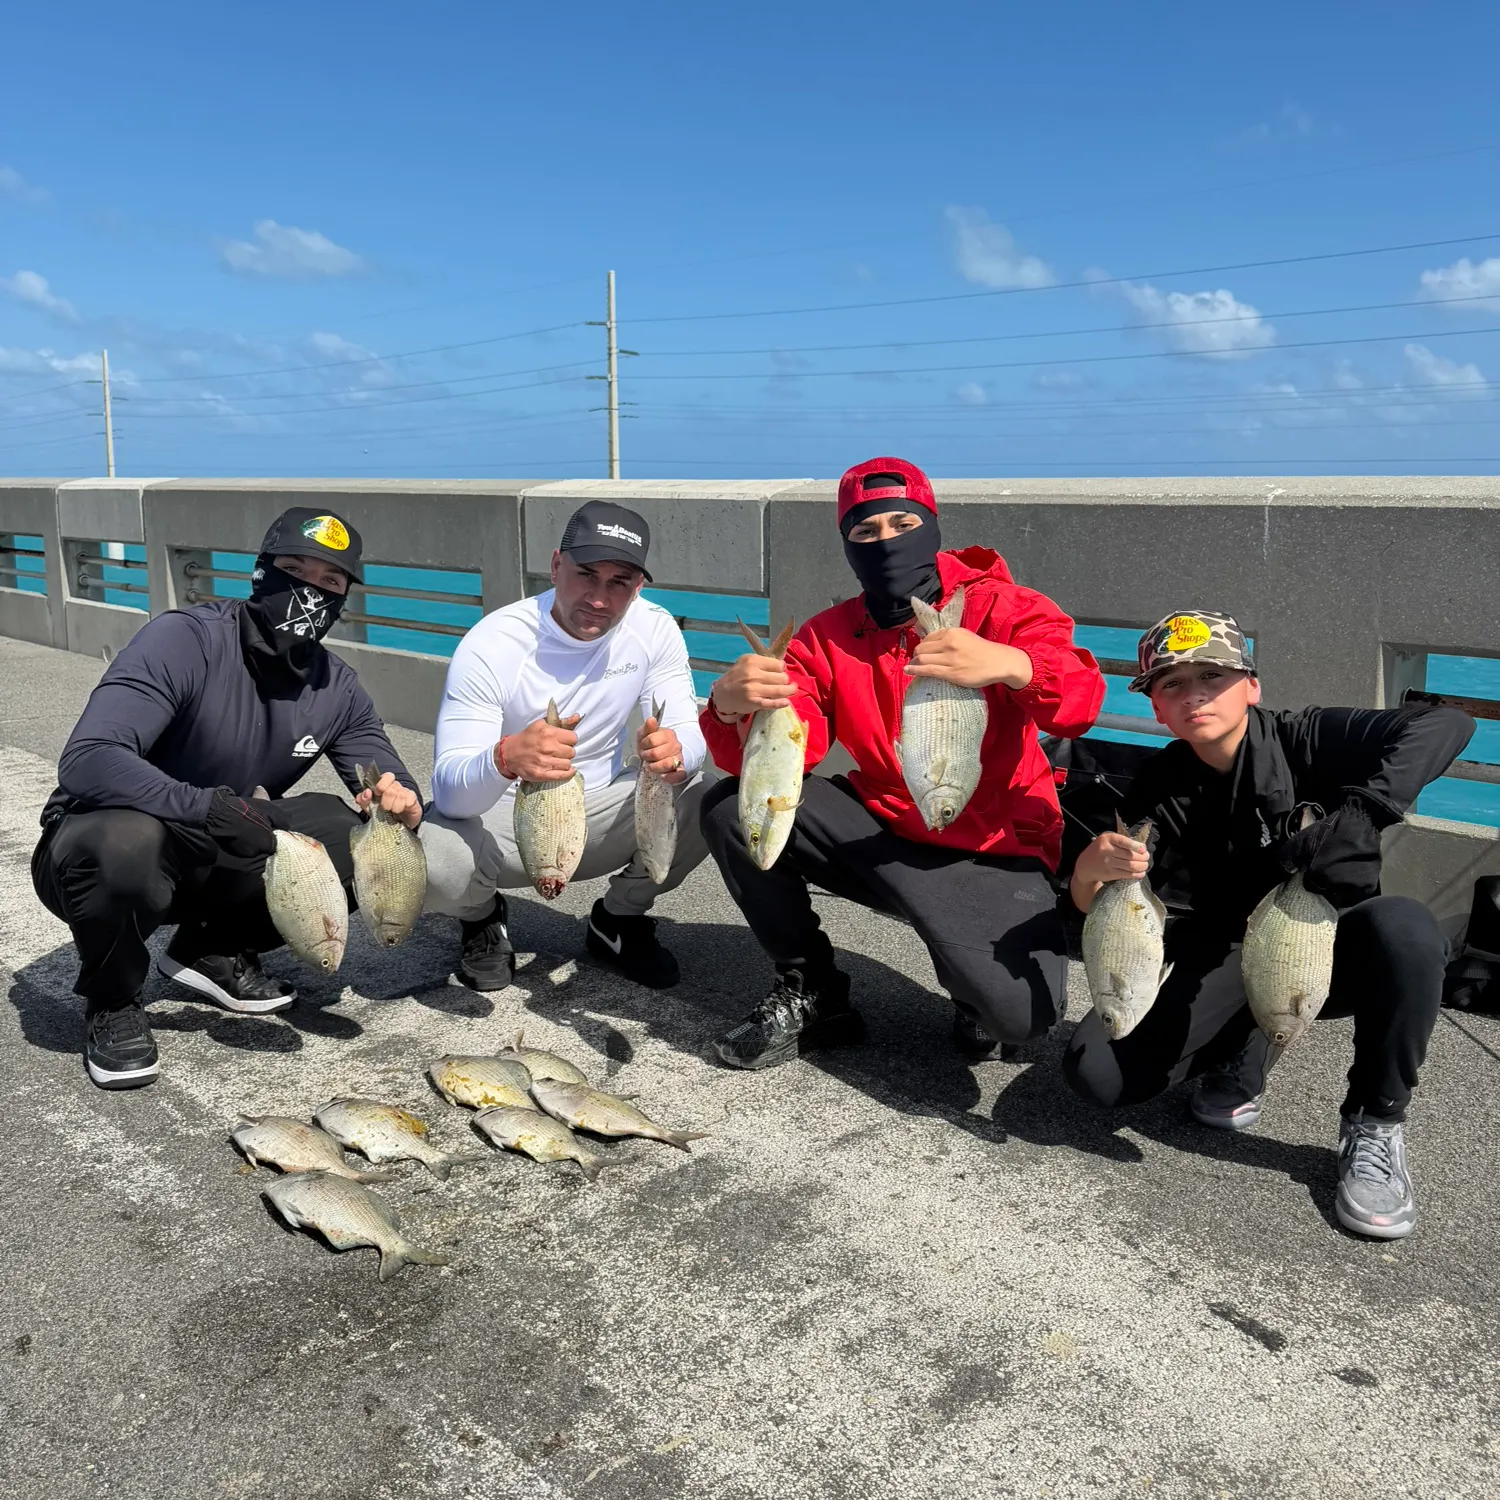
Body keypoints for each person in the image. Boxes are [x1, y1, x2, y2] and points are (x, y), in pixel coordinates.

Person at [1063, 610, 1474, 1240]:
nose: (1194, 693)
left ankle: (1375, 1124)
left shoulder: (1308, 737)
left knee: (1408, 929)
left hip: (1329, 940)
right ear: (1153, 706)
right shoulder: (1157, 784)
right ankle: (1246, 1048)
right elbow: (1121, 915)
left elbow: (1448, 721)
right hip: (1224, 949)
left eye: (1213, 675)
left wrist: (1364, 813)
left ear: (1250, 685)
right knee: (1098, 1075)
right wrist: (1091, 871)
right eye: (1171, 683)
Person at [699, 456, 1105, 1070]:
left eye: (901, 521)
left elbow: (1079, 702)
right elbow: (788, 751)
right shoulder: (827, 635)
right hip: (885, 823)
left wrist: (1009, 663)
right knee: (734, 809)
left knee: (1020, 1020)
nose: (886, 541)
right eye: (865, 531)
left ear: (931, 524)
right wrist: (731, 707)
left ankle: (971, 978)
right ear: (847, 545)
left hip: (992, 844)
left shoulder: (1006, 607)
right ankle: (811, 988)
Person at [32, 507, 423, 1091]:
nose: (310, 593)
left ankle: (209, 951)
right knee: (123, 840)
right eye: (295, 570)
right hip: (110, 843)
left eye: (330, 584)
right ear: (261, 572)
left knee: (346, 832)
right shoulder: (185, 639)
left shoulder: (335, 686)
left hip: (225, 839)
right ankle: (112, 998)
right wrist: (205, 806)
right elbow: (90, 758)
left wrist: (399, 799)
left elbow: (378, 766)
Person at [421, 500, 709, 990]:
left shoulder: (654, 627)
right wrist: (504, 757)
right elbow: (450, 793)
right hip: (504, 820)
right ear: (556, 566)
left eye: (619, 582)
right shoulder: (493, 643)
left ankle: (617, 919)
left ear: (638, 587)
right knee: (434, 861)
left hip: (596, 809)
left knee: (707, 794)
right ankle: (481, 916)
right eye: (585, 575)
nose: (598, 597)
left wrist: (674, 750)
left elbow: (689, 732)